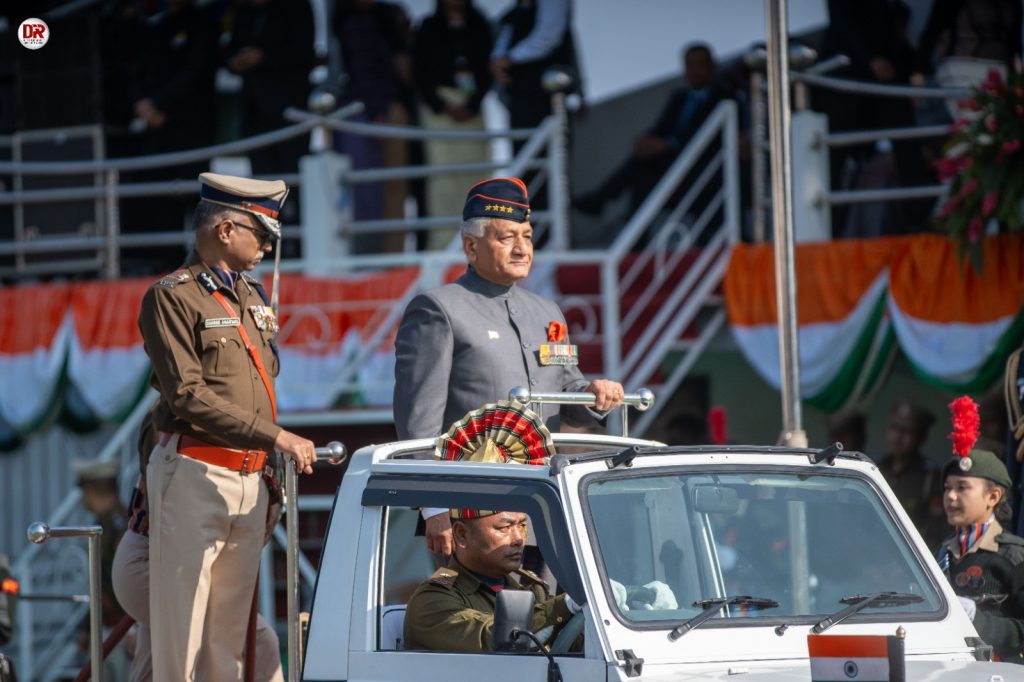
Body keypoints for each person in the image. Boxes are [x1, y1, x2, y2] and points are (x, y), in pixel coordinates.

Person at [137, 172, 316, 681]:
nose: (266, 247)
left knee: (228, 638)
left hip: (249, 476)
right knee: (183, 634)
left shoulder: (251, 295)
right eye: (260, 234)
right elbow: (187, 394)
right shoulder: (172, 296)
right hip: (196, 470)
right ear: (225, 229)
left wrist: (267, 460)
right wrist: (276, 437)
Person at [393, 177, 625, 558]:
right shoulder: (439, 309)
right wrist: (433, 507)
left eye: (527, 237)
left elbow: (568, 396)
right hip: (474, 514)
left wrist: (593, 394)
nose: (521, 249)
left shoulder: (547, 312)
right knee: (478, 601)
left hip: (545, 508)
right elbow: (418, 420)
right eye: (506, 238)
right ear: (471, 246)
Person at [112, 481, 284, 682]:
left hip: (162, 561)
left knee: (155, 663)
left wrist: (273, 493)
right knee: (260, 643)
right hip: (155, 562)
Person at [574, 43, 734, 219]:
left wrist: (669, 144)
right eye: (689, 65)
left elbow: (713, 135)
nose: (694, 70)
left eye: (699, 64)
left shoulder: (725, 95)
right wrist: (646, 140)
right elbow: (661, 127)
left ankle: (604, 201)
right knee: (643, 169)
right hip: (668, 161)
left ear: (712, 66)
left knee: (644, 168)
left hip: (703, 164)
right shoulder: (679, 96)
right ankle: (633, 225)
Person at [403, 509, 579, 651]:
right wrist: (566, 604)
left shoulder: (532, 590)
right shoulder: (432, 600)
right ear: (461, 534)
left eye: (522, 525)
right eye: (504, 527)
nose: (519, 538)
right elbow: (497, 638)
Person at [412, 0, 493, 248]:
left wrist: (473, 103)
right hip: (438, 112)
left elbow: (487, 68)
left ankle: (479, 241)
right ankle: (443, 245)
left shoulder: (479, 24)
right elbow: (419, 72)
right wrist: (441, 105)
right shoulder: (428, 27)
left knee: (476, 177)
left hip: (472, 110)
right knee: (442, 181)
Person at [938, 448, 1024, 664]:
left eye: (962, 487)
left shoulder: (1014, 557)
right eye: (947, 488)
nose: (950, 496)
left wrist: (976, 618)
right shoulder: (942, 552)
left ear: (993, 496)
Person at [226, 0, 315, 177]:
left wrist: (263, 58)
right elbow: (231, 49)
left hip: (289, 111)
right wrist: (234, 62)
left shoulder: (297, 7)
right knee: (260, 177)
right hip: (254, 111)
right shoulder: (245, 12)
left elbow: (303, 52)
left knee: (290, 175)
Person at [876, 400, 945, 546]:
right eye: (894, 428)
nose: (898, 436)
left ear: (921, 437)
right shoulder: (875, 468)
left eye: (907, 430)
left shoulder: (930, 477)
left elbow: (935, 531)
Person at [72, 459, 129, 628]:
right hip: (114, 624)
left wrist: (132, 628)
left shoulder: (118, 526)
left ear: (89, 491)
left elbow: (127, 579)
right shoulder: (106, 524)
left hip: (124, 626)